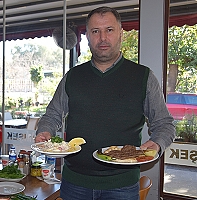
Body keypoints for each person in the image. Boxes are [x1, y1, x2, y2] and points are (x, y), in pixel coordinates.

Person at [35, 6, 176, 200]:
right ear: (88, 37)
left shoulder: (143, 77)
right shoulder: (72, 77)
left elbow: (165, 124)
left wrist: (157, 144)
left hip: (122, 186)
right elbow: (52, 115)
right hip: (74, 184)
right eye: (95, 31)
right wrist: (44, 132)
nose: (102, 38)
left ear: (121, 34)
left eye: (109, 30)